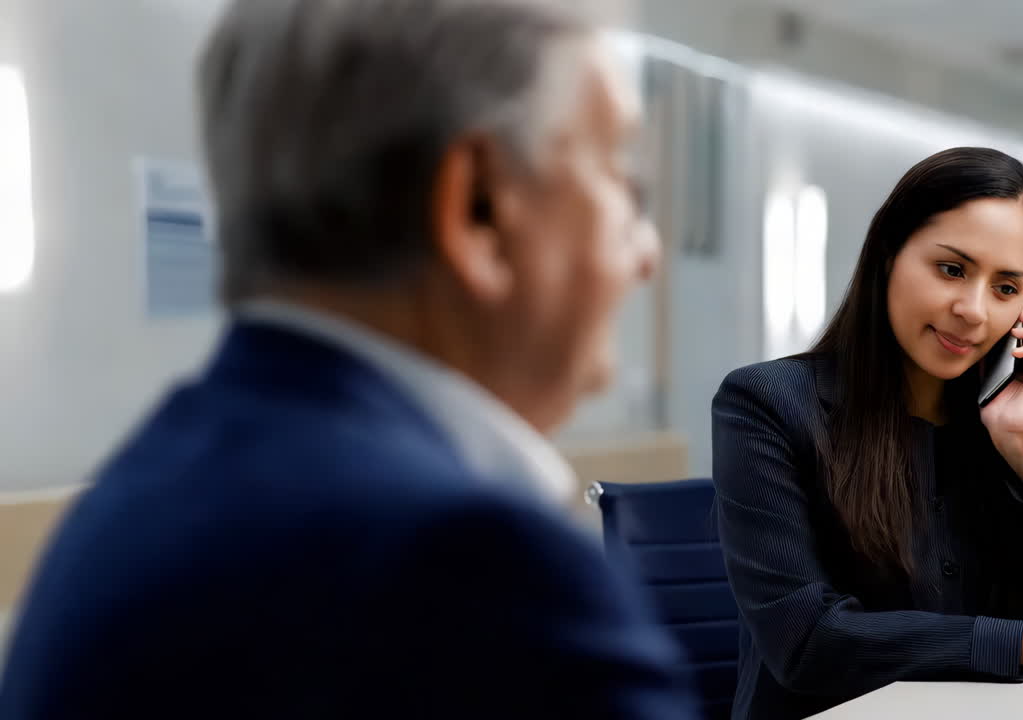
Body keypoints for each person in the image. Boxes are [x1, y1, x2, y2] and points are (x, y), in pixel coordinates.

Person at [0, 1, 699, 718]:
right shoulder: (482, 574)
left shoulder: (120, 514)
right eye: (620, 176)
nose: (645, 255)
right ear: (479, 210)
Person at [712, 147, 1023, 720]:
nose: (973, 311)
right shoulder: (767, 404)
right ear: (889, 254)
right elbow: (806, 643)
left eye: (1005, 287)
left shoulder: (1005, 418)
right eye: (952, 269)